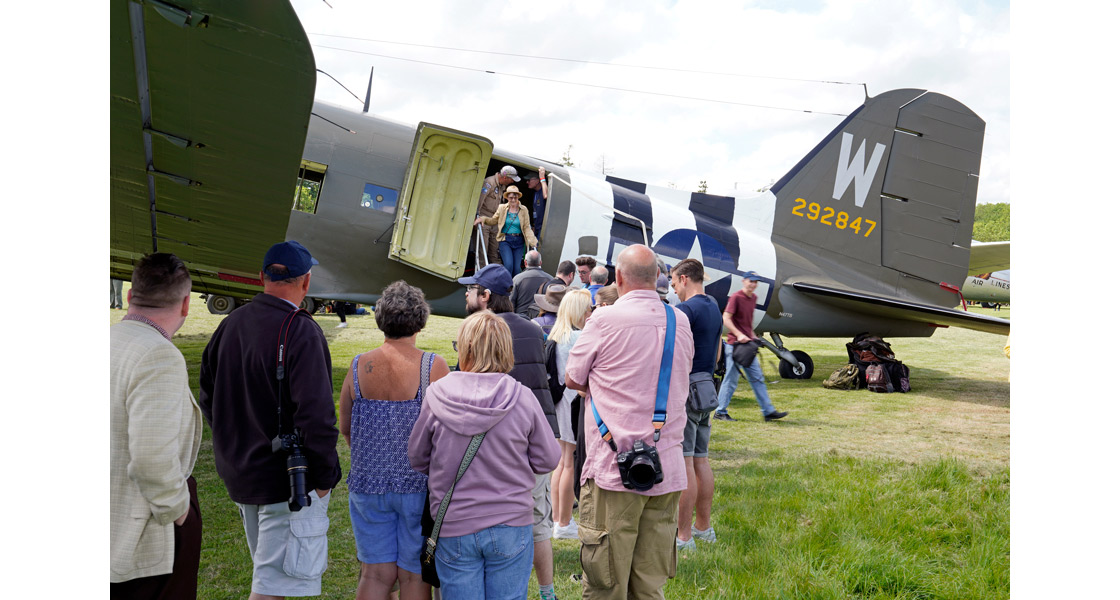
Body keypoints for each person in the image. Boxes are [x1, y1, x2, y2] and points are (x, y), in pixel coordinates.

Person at [199, 240, 342, 599]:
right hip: (285, 482)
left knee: (270, 580)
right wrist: (325, 478)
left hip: (244, 475)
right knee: (271, 590)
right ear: (305, 282)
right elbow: (317, 417)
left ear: (262, 277)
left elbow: (208, 396)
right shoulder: (301, 330)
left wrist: (234, 445)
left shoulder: (231, 324)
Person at [564, 244, 694, 600]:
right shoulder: (679, 320)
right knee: (649, 587)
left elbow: (573, 378)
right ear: (657, 278)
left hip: (612, 470)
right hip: (665, 467)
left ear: (618, 278)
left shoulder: (603, 320)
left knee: (606, 585)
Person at [408, 311, 560, 600]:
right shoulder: (522, 397)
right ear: (506, 349)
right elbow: (548, 459)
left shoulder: (437, 394)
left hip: (455, 523)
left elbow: (417, 457)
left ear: (464, 347)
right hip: (510, 521)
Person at [456, 263, 562, 600]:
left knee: (492, 519)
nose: (467, 295)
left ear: (486, 297)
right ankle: (547, 592)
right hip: (538, 434)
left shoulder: (476, 332)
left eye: (471, 290)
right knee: (538, 521)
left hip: (495, 440)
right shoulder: (534, 330)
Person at [340, 281, 451, 600]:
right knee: (414, 576)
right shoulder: (433, 366)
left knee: (375, 574)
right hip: (418, 486)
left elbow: (346, 426)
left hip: (369, 483)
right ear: (421, 320)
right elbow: (446, 432)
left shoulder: (359, 365)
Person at [110, 253, 202, 598]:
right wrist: (179, 512)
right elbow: (150, 458)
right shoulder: (158, 355)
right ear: (186, 305)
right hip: (140, 533)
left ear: (131, 296)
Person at [668, 258, 723, 552]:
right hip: (707, 389)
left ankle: (683, 536)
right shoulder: (714, 305)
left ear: (686, 278)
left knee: (685, 461)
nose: (674, 288)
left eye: (674, 281)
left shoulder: (685, 310)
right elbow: (716, 355)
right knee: (701, 459)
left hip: (686, 388)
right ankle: (704, 527)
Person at [547, 288, 593, 540]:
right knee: (569, 462)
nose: (590, 313)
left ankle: (558, 518)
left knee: (561, 462)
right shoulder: (578, 338)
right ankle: (564, 521)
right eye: (587, 309)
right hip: (573, 403)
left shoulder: (557, 335)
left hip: (560, 403)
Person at [714, 271, 788, 422]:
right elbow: (726, 319)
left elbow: (747, 324)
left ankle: (768, 411)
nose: (753, 285)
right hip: (734, 346)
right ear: (744, 281)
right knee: (731, 380)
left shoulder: (753, 298)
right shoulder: (736, 297)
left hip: (747, 346)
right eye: (751, 281)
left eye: (755, 282)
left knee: (757, 378)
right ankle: (720, 412)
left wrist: (753, 337)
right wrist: (739, 335)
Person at [475, 185, 539, 278]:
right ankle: (506, 287)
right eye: (511, 197)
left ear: (518, 197)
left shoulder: (524, 209)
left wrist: (533, 241)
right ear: (507, 197)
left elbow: (526, 227)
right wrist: (483, 219)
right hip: (505, 240)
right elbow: (493, 221)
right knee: (508, 265)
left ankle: (515, 288)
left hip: (519, 241)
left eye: (515, 197)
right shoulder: (502, 208)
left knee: (516, 268)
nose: (513, 200)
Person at [475, 165, 520, 266]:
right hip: (484, 220)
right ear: (505, 177)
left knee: (495, 250)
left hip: (495, 221)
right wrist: (477, 217)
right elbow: (479, 201)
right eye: (512, 179)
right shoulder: (489, 183)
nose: (512, 182)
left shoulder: (502, 186)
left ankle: (497, 274)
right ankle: (482, 275)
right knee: (483, 250)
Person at [511, 250, 552, 319]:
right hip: (541, 321)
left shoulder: (517, 279)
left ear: (525, 262)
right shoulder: (550, 279)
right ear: (540, 263)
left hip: (521, 320)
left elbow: (511, 302)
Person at [525, 166, 549, 238]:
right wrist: (534, 226)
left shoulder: (543, 190)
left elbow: (546, 195)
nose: (527, 182)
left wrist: (542, 178)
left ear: (537, 181)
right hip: (537, 228)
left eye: (529, 180)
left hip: (543, 229)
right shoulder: (536, 193)